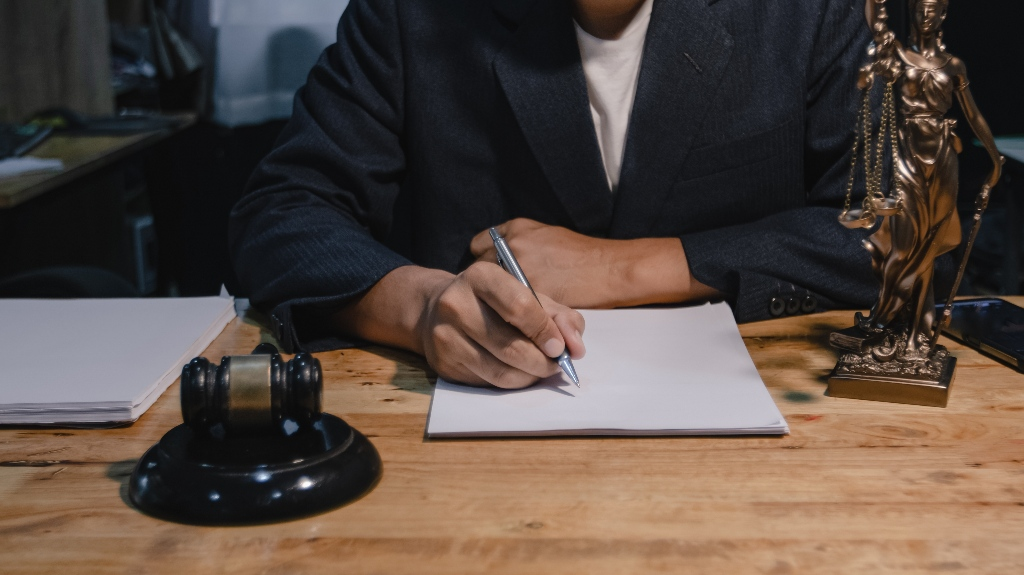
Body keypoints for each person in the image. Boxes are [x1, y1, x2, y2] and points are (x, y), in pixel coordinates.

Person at [229, 0, 879, 389]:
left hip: (765, 432)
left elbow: (896, 229)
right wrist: (421, 307)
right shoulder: (412, 14)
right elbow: (280, 213)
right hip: (472, 444)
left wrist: (626, 267)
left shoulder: (812, 11)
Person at [852, 0, 1002, 358]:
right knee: (904, 246)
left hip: (944, 160)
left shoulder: (954, 66)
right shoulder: (900, 56)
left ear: (943, 15)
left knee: (930, 246)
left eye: (932, 9)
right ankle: (883, 318)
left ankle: (917, 332)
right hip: (908, 161)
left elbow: (974, 116)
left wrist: (994, 158)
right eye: (919, 8)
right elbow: (876, 21)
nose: (925, 15)